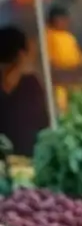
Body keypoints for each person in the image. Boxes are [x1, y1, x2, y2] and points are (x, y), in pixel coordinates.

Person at [0, 25, 48, 156]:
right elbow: (6, 87)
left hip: (34, 151)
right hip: (11, 155)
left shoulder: (30, 80)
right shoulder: (13, 79)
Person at [44, 5, 82, 70]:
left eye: (66, 19)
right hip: (57, 73)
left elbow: (77, 58)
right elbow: (48, 60)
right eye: (61, 19)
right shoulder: (48, 35)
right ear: (52, 20)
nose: (65, 22)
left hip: (73, 71)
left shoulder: (69, 36)